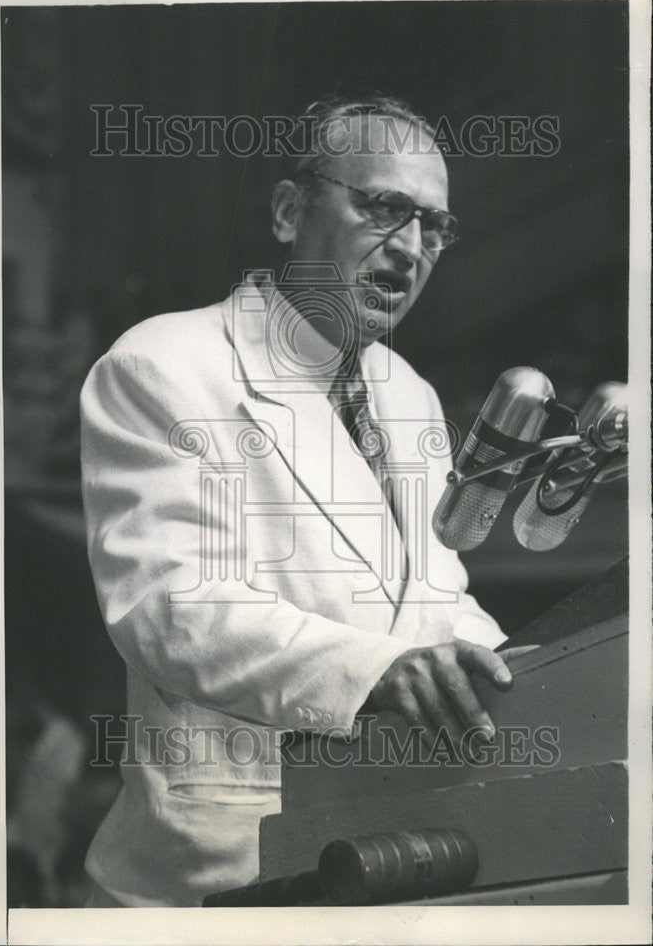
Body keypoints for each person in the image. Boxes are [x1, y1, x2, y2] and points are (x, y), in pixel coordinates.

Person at [80, 94, 522, 907]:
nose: (411, 249)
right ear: (289, 212)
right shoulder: (161, 364)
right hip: (223, 873)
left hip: (388, 847)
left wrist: (520, 670)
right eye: (384, 208)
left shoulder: (405, 393)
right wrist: (380, 669)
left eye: (435, 227)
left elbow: (433, 597)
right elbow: (172, 608)